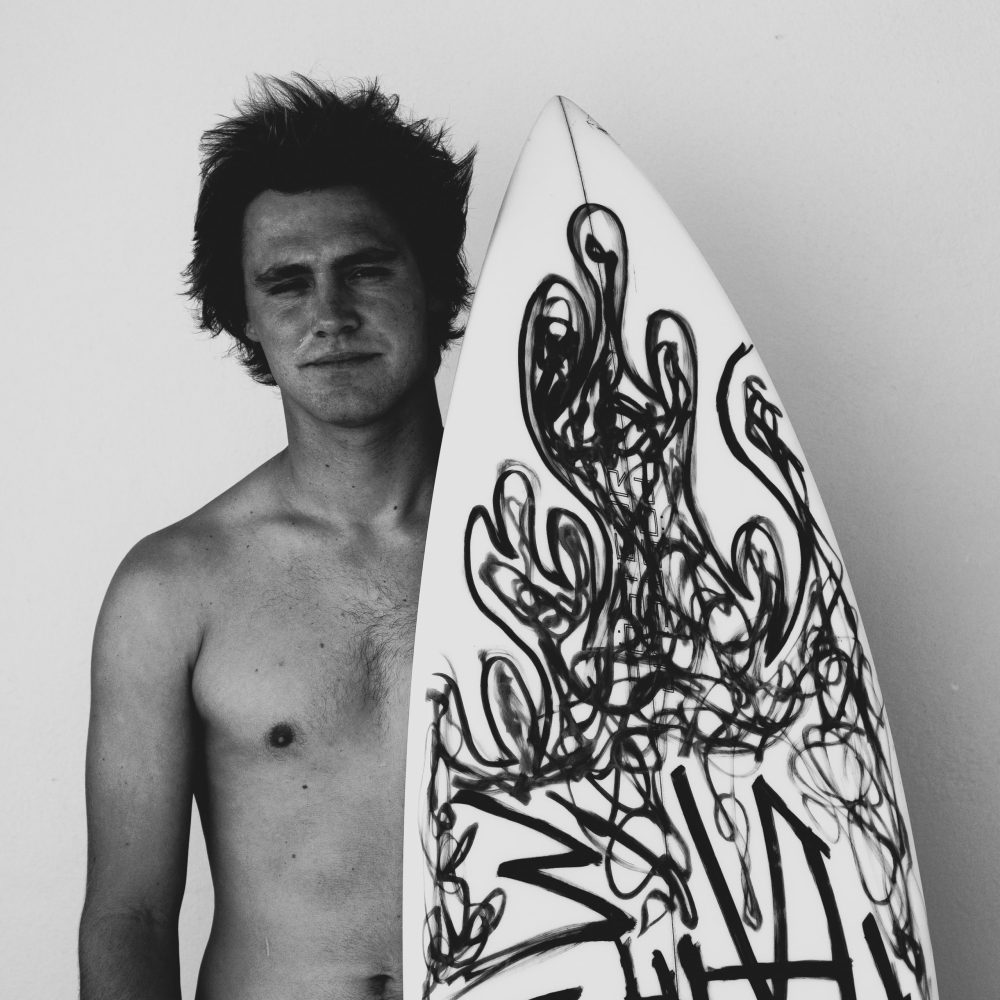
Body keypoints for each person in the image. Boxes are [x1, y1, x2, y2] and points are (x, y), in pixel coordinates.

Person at [79, 75, 475, 1000]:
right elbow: (130, 917)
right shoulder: (173, 589)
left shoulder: (563, 554)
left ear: (433, 283)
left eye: (366, 269)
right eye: (287, 283)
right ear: (245, 318)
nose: (330, 315)